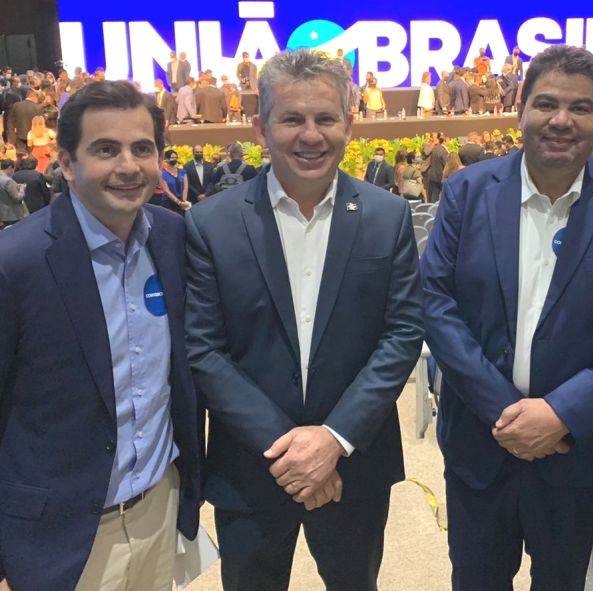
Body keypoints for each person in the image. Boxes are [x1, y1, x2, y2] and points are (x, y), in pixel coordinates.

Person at [421, 44, 593, 591]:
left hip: (578, 451)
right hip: (481, 442)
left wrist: (561, 414)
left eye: (580, 107)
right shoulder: (467, 190)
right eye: (546, 104)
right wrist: (506, 412)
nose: (562, 120)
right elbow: (436, 304)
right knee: (476, 580)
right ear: (520, 111)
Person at [184, 48, 423, 591]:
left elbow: (403, 332)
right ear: (260, 128)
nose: (310, 135)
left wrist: (333, 440)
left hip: (355, 463)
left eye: (325, 118)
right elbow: (203, 348)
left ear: (349, 124)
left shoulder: (387, 217)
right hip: (253, 464)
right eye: (292, 118)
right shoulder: (210, 224)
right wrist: (292, 450)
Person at [0, 80, 201, 590]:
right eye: (106, 150)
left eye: (142, 148)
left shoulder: (172, 237)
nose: (129, 166)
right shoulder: (15, 263)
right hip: (59, 535)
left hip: (158, 508)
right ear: (67, 164)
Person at [155, 149, 191, 214]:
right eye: (172, 158)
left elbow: (185, 188)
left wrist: (184, 201)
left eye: (176, 157)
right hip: (168, 203)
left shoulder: (183, 172)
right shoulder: (163, 174)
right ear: (166, 159)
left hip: (183, 202)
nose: (174, 159)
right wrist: (178, 202)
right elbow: (166, 191)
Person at [0, 158, 26, 227]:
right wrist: (22, 189)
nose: (13, 171)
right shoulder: (8, 181)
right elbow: (17, 198)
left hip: (3, 213)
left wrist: (15, 187)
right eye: (13, 169)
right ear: (10, 168)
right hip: (14, 214)